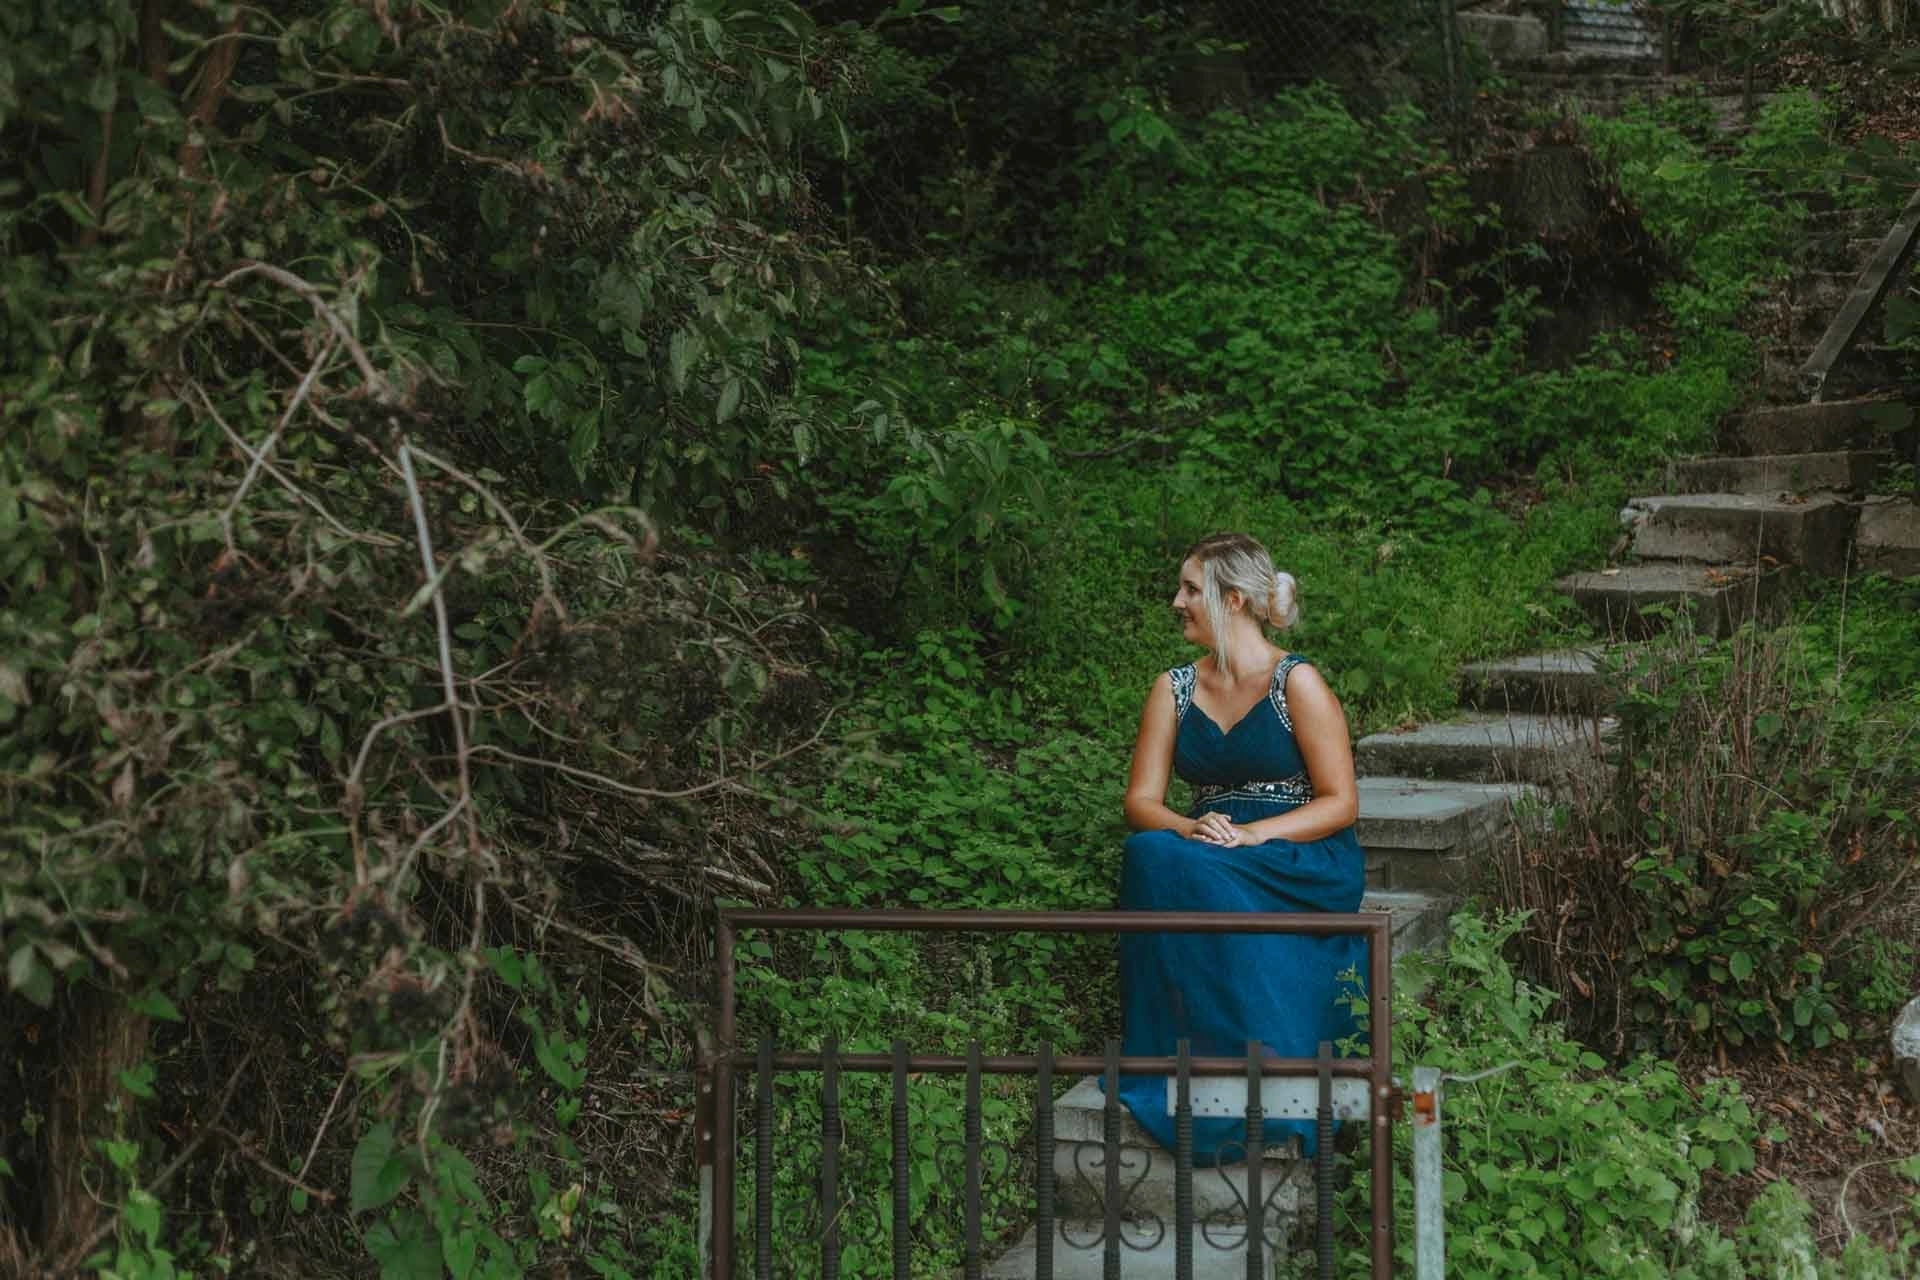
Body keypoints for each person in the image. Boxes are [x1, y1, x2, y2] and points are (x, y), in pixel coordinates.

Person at [1111, 532, 1367, 1162]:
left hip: (1294, 850)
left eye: (1190, 589)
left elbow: (1340, 802)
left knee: (1200, 870)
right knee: (1149, 854)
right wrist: (1188, 827)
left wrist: (1255, 834)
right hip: (1209, 843)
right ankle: (1183, 1056)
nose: (1177, 602)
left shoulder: (1295, 681)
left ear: (1233, 600)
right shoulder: (1173, 688)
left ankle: (1269, 1065)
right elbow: (1140, 801)